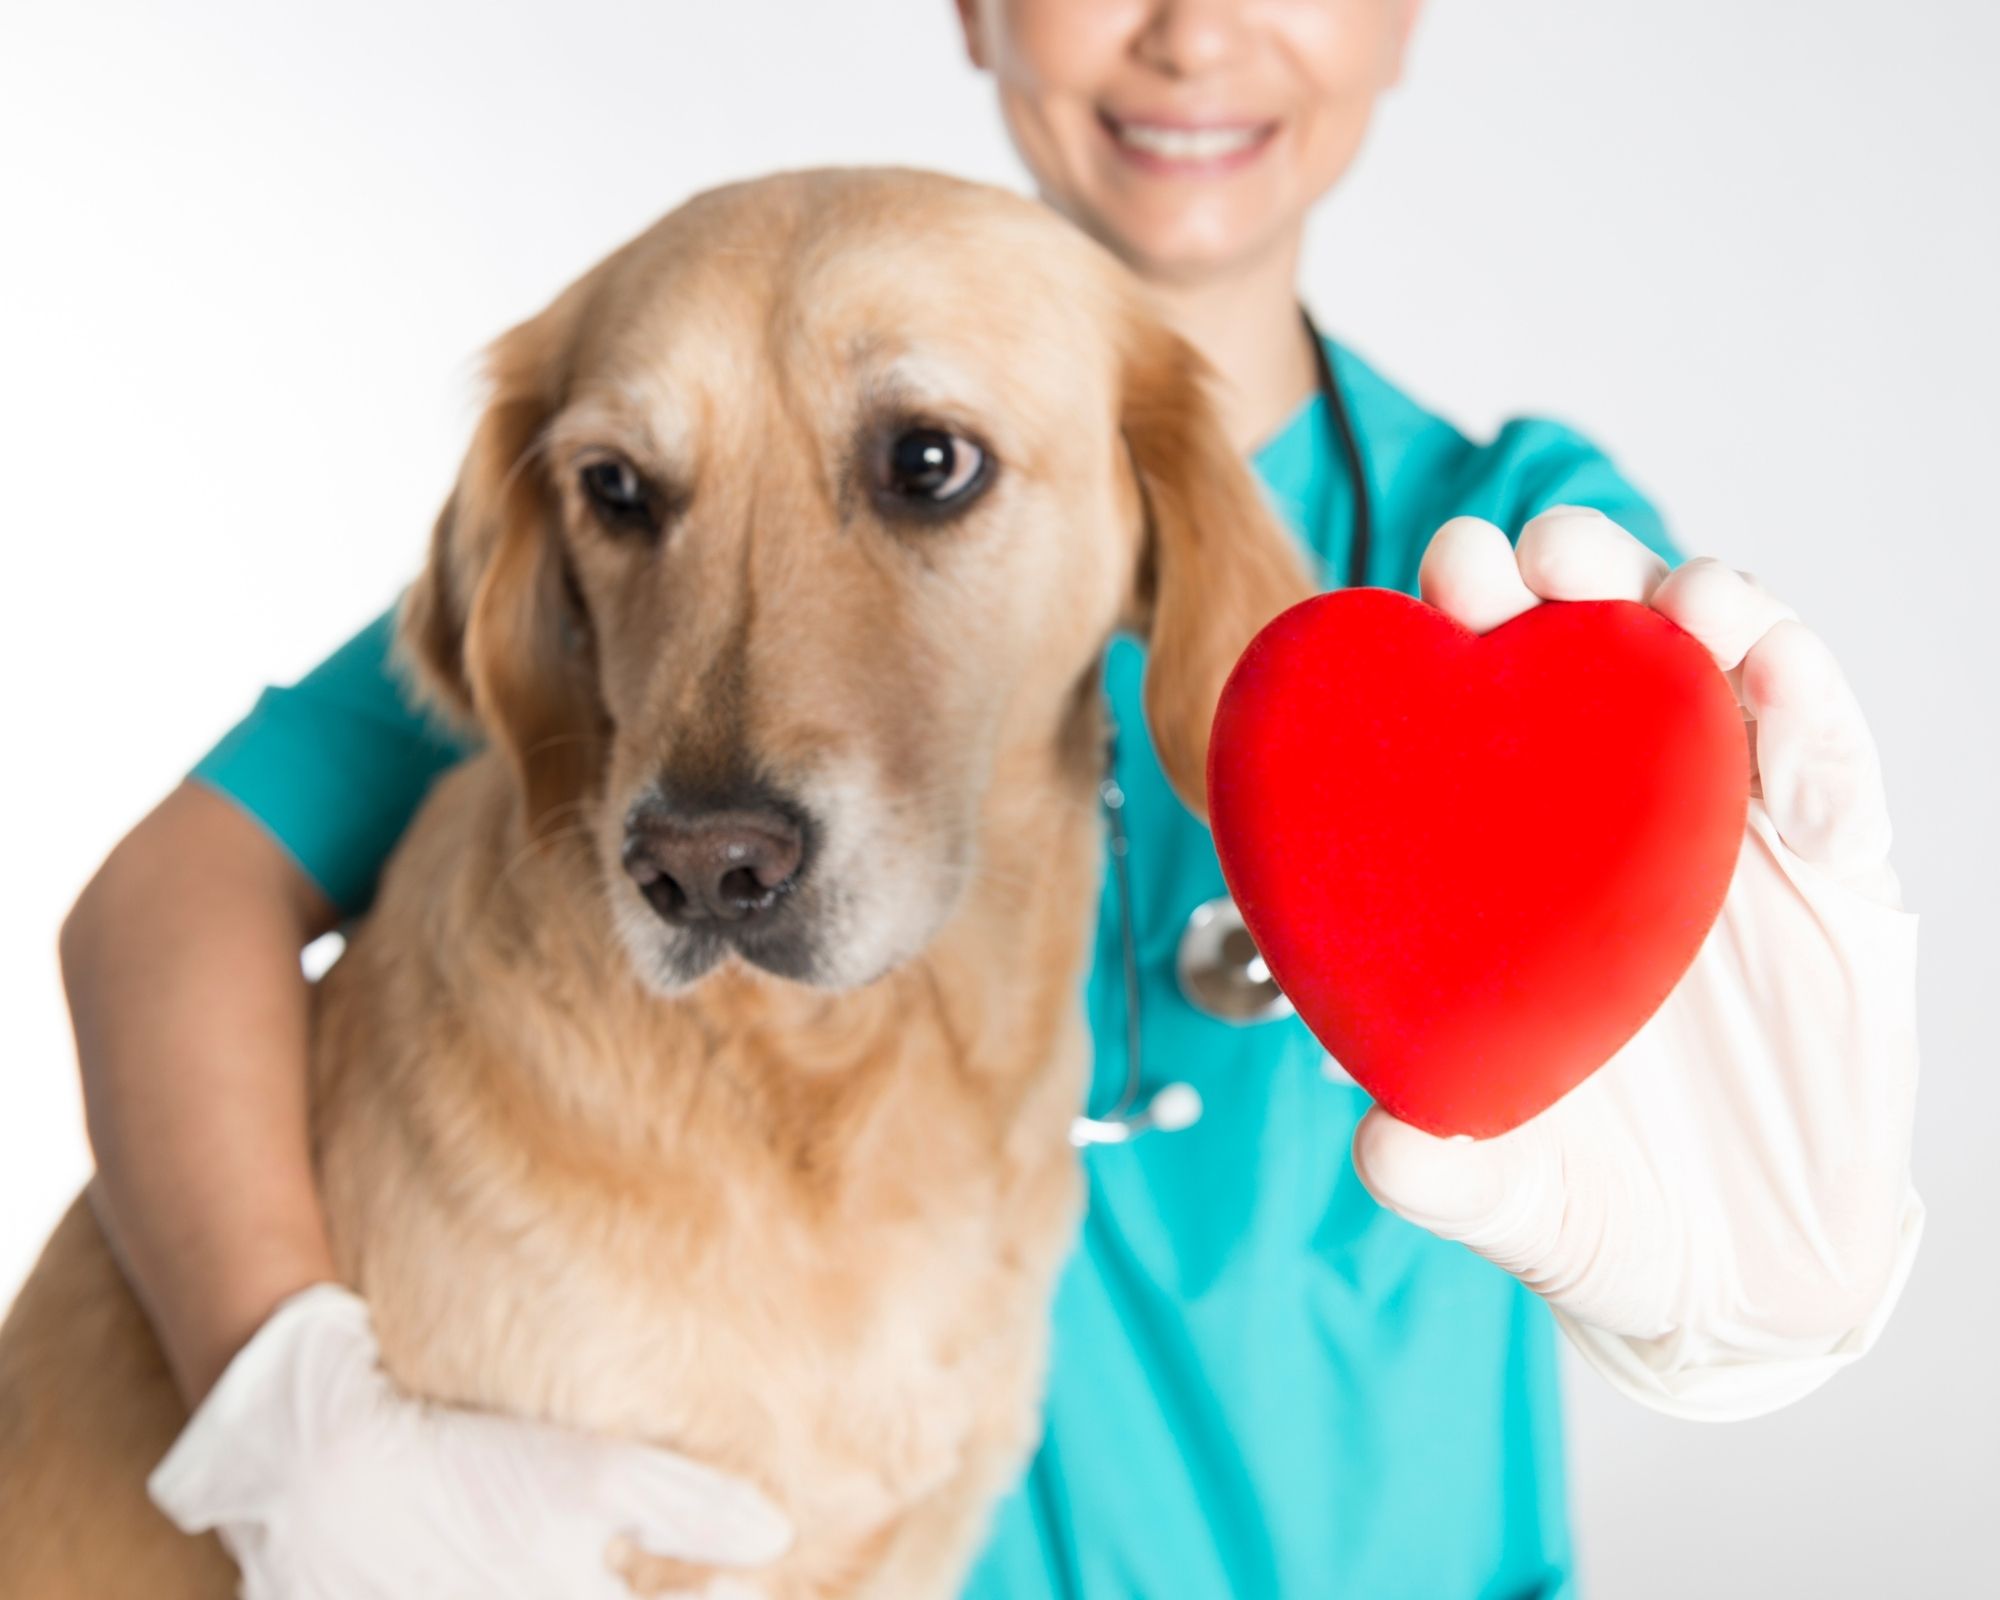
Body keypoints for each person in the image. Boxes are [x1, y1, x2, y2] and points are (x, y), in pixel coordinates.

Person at [60, 2, 1921, 1596]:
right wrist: (288, 1412)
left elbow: (1703, 1041)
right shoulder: (680, 415)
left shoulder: (1512, 553)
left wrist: (1762, 1300)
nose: (1191, 28)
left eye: (928, 466)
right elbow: (170, 897)